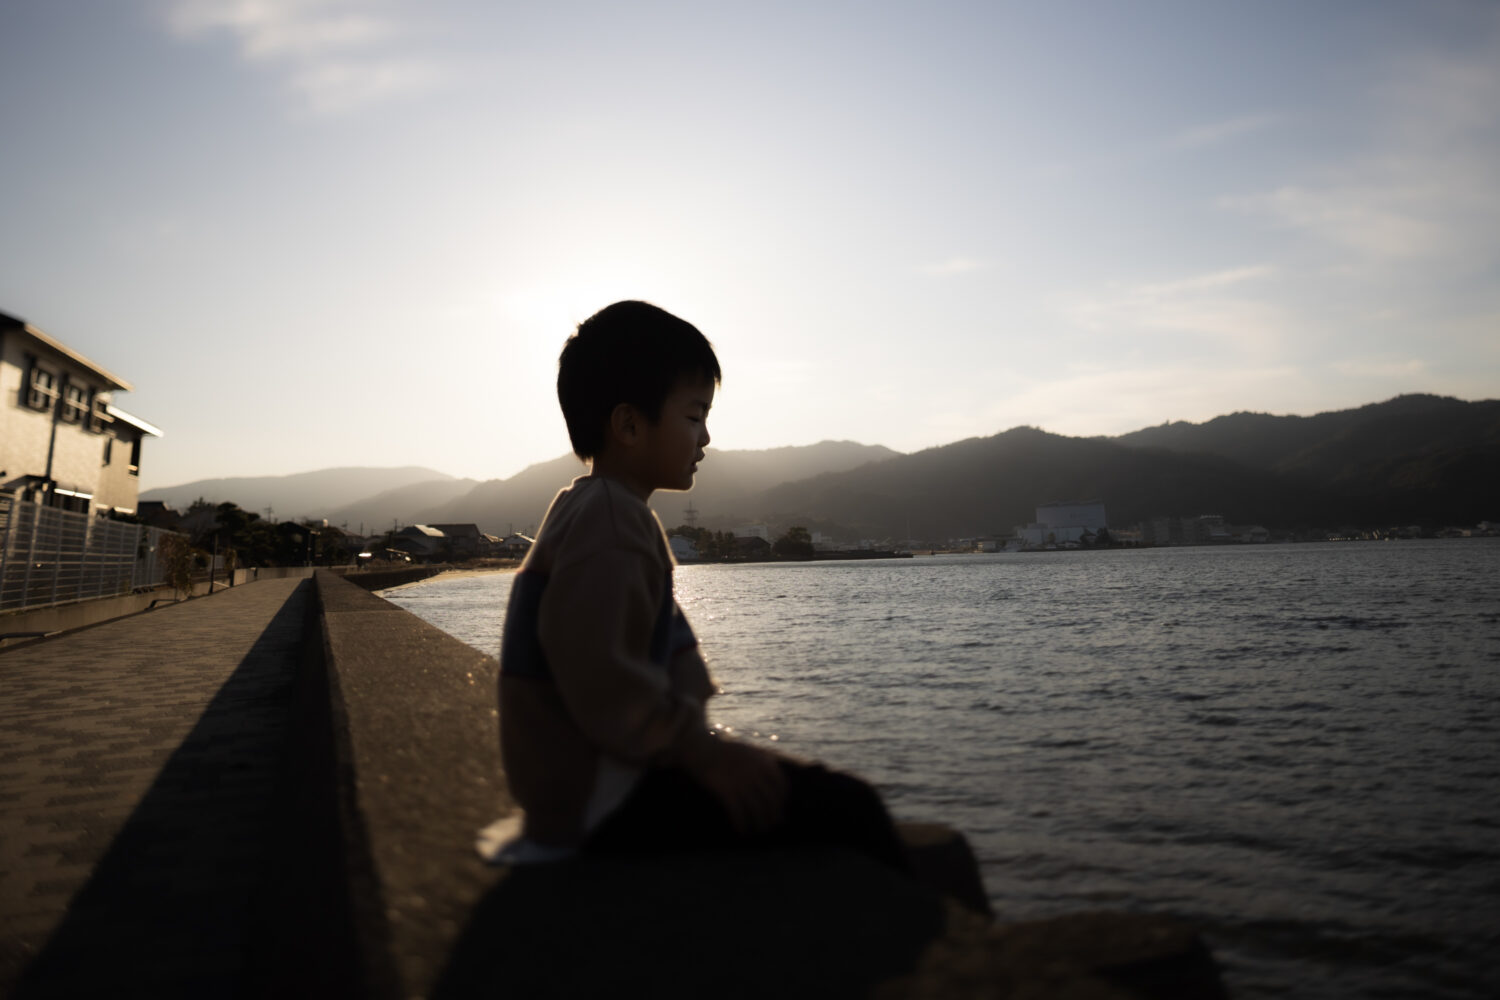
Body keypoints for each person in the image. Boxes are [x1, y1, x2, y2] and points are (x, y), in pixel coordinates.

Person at [488, 300, 907, 870]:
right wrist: (703, 753)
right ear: (630, 424)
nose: (706, 437)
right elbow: (598, 673)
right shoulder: (615, 519)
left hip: (579, 796)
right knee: (850, 810)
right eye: (693, 416)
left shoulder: (582, 505)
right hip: (607, 805)